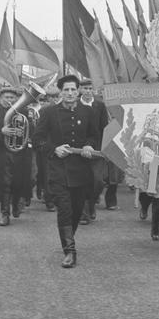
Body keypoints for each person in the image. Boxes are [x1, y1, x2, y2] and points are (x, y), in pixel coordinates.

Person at [33, 74, 98, 268]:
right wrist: (54, 149)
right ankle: (69, 251)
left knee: (77, 210)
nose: (70, 93)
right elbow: (37, 139)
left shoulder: (88, 112)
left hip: (81, 170)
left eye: (73, 89)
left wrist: (89, 146)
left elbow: (94, 136)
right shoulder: (48, 112)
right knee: (65, 209)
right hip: (58, 170)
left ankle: (69, 237)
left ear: (78, 91)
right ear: (60, 92)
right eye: (66, 90)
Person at [0, 87, 30, 225]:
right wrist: (1, 131)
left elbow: (32, 129)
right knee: (5, 183)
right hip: (1, 152)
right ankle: (4, 214)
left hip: (20, 153)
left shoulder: (23, 111)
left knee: (17, 182)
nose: (9, 100)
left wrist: (24, 132)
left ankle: (15, 205)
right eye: (6, 97)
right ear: (0, 99)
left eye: (11, 98)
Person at [78, 79, 108, 225]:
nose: (88, 91)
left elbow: (104, 128)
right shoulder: (75, 105)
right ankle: (84, 214)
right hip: (78, 150)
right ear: (80, 90)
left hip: (97, 150)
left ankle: (91, 204)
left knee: (98, 181)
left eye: (90, 88)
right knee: (82, 181)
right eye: (85, 88)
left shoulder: (100, 106)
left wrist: (105, 148)